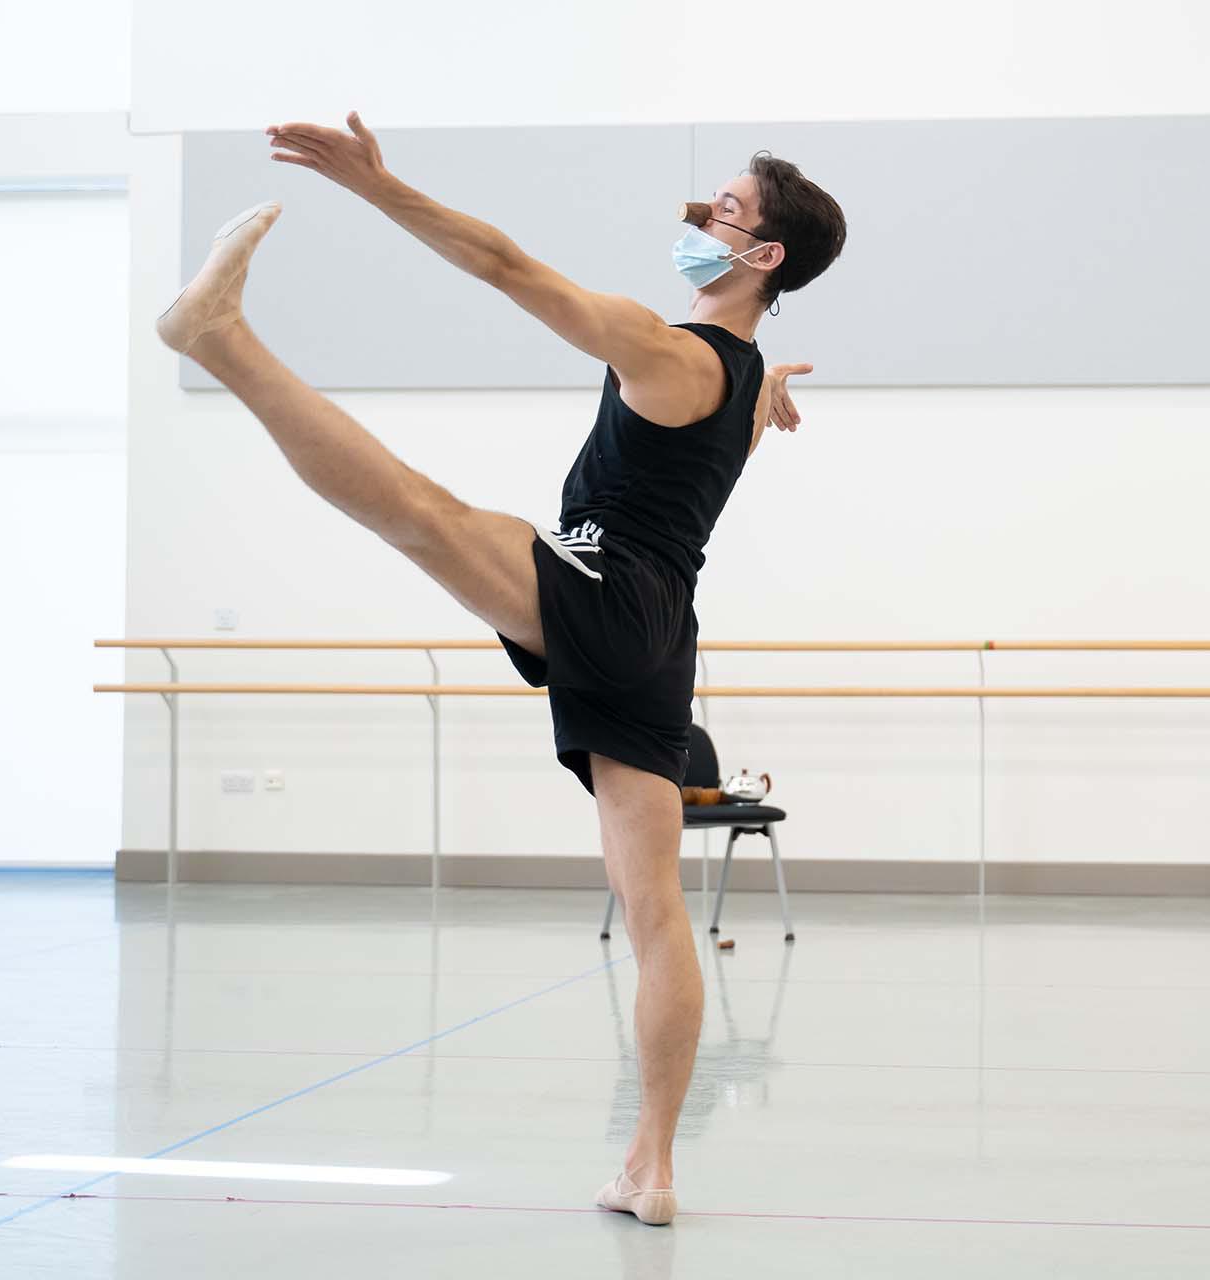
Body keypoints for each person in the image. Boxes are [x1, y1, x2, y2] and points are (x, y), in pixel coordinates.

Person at [155, 112, 847, 1226]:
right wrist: (765, 391)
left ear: (763, 256)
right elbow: (735, 409)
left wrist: (377, 186)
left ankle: (220, 338)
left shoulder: (672, 351)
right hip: (663, 633)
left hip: (611, 589)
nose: (698, 215)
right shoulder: (741, 367)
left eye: (724, 211)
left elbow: (504, 264)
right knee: (656, 909)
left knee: (422, 513)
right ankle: (652, 1168)